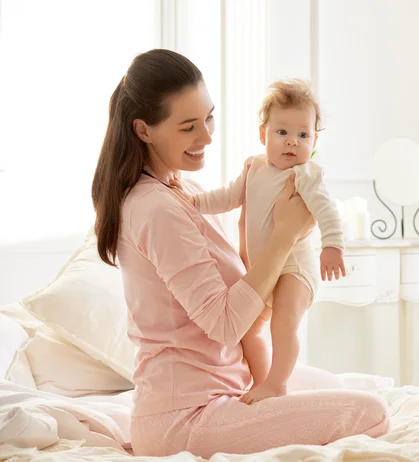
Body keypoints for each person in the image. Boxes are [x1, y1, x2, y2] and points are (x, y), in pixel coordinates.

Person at [91, 48, 390, 458]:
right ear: (143, 130)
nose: (208, 136)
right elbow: (227, 325)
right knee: (370, 413)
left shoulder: (186, 193)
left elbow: (244, 294)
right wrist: (286, 235)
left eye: (209, 117)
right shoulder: (156, 208)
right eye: (188, 127)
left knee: (337, 389)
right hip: (187, 414)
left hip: (227, 384)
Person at [184, 79, 346, 405]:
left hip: (293, 270)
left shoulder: (304, 175)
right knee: (248, 330)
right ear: (264, 135)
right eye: (282, 132)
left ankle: (277, 383)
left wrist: (333, 244)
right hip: (263, 273)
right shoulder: (254, 168)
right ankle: (261, 382)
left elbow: (326, 210)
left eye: (303, 135)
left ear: (314, 140)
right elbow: (229, 196)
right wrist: (195, 203)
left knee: (284, 324)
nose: (292, 143)